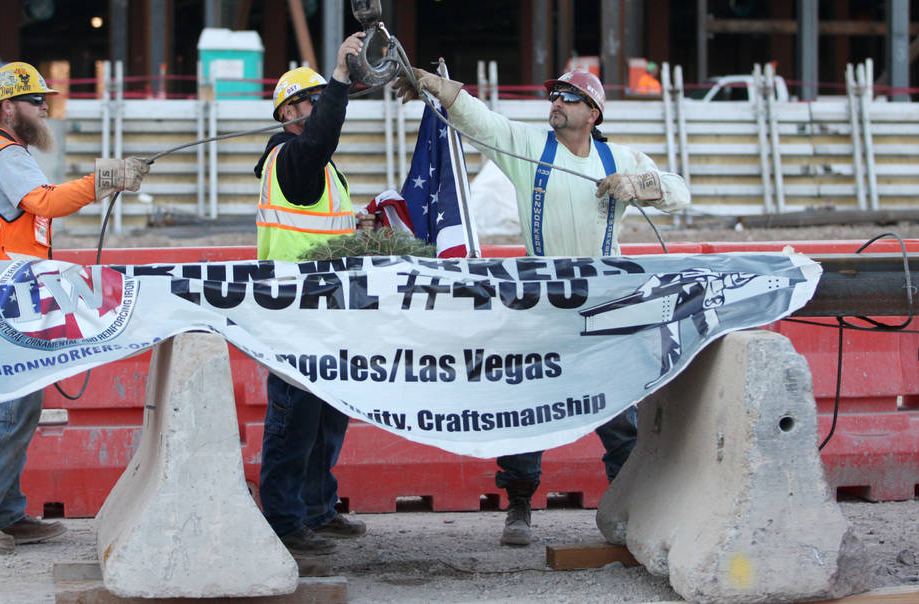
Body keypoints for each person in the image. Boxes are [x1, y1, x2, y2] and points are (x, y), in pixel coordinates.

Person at [394, 67, 690, 546]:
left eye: (569, 97)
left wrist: (639, 185)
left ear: (592, 113)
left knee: (617, 413)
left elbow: (678, 189)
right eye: (554, 94)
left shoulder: (619, 158)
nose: (557, 102)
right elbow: (476, 117)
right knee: (528, 408)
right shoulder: (529, 148)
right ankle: (518, 504)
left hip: (601, 308)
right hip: (543, 307)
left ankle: (631, 503)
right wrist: (432, 83)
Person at [0, 61, 150, 549]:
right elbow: (45, 203)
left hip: (4, 289)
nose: (43, 107)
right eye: (35, 100)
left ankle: (4, 509)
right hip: (3, 292)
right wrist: (104, 180)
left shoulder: (2, 152)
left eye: (45, 99)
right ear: (7, 107)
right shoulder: (7, 154)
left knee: (21, 400)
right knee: (13, 405)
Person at [254, 33, 370, 555]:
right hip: (293, 310)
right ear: (289, 113)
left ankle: (318, 509)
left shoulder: (314, 167)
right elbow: (322, 139)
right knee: (293, 419)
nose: (320, 109)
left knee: (326, 415)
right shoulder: (292, 155)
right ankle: (283, 520)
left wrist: (358, 226)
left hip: (325, 308)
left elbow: (321, 225)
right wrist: (341, 78)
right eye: (312, 102)